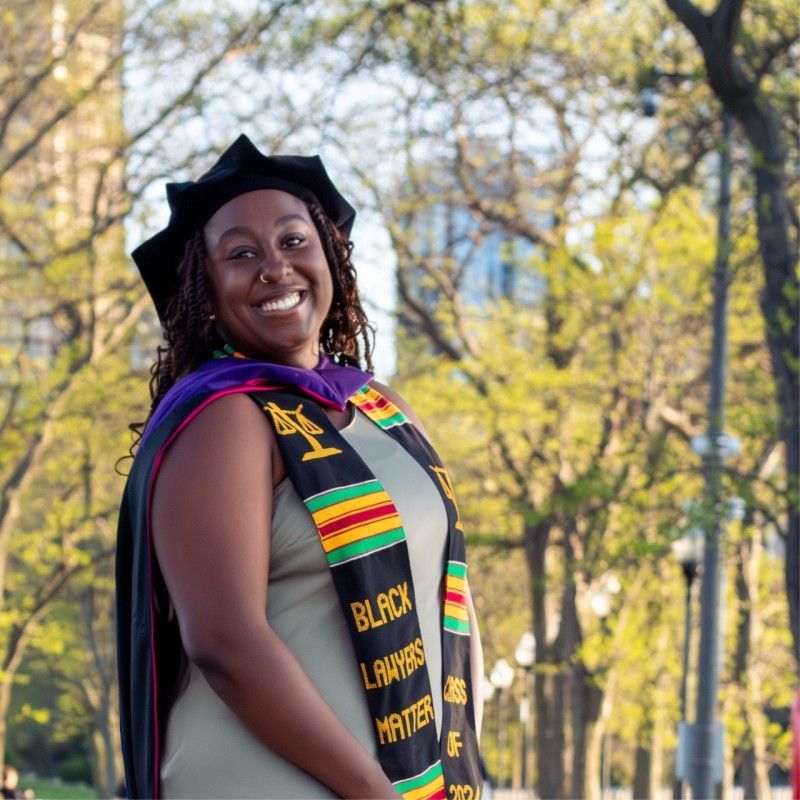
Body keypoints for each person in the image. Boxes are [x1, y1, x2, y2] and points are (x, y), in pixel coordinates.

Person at [116, 134, 483, 799]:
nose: (275, 268)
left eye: (293, 241)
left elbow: (449, 599)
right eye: (241, 254)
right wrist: (374, 793)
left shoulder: (382, 410)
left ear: (330, 258)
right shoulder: (224, 421)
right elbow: (226, 643)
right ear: (205, 290)